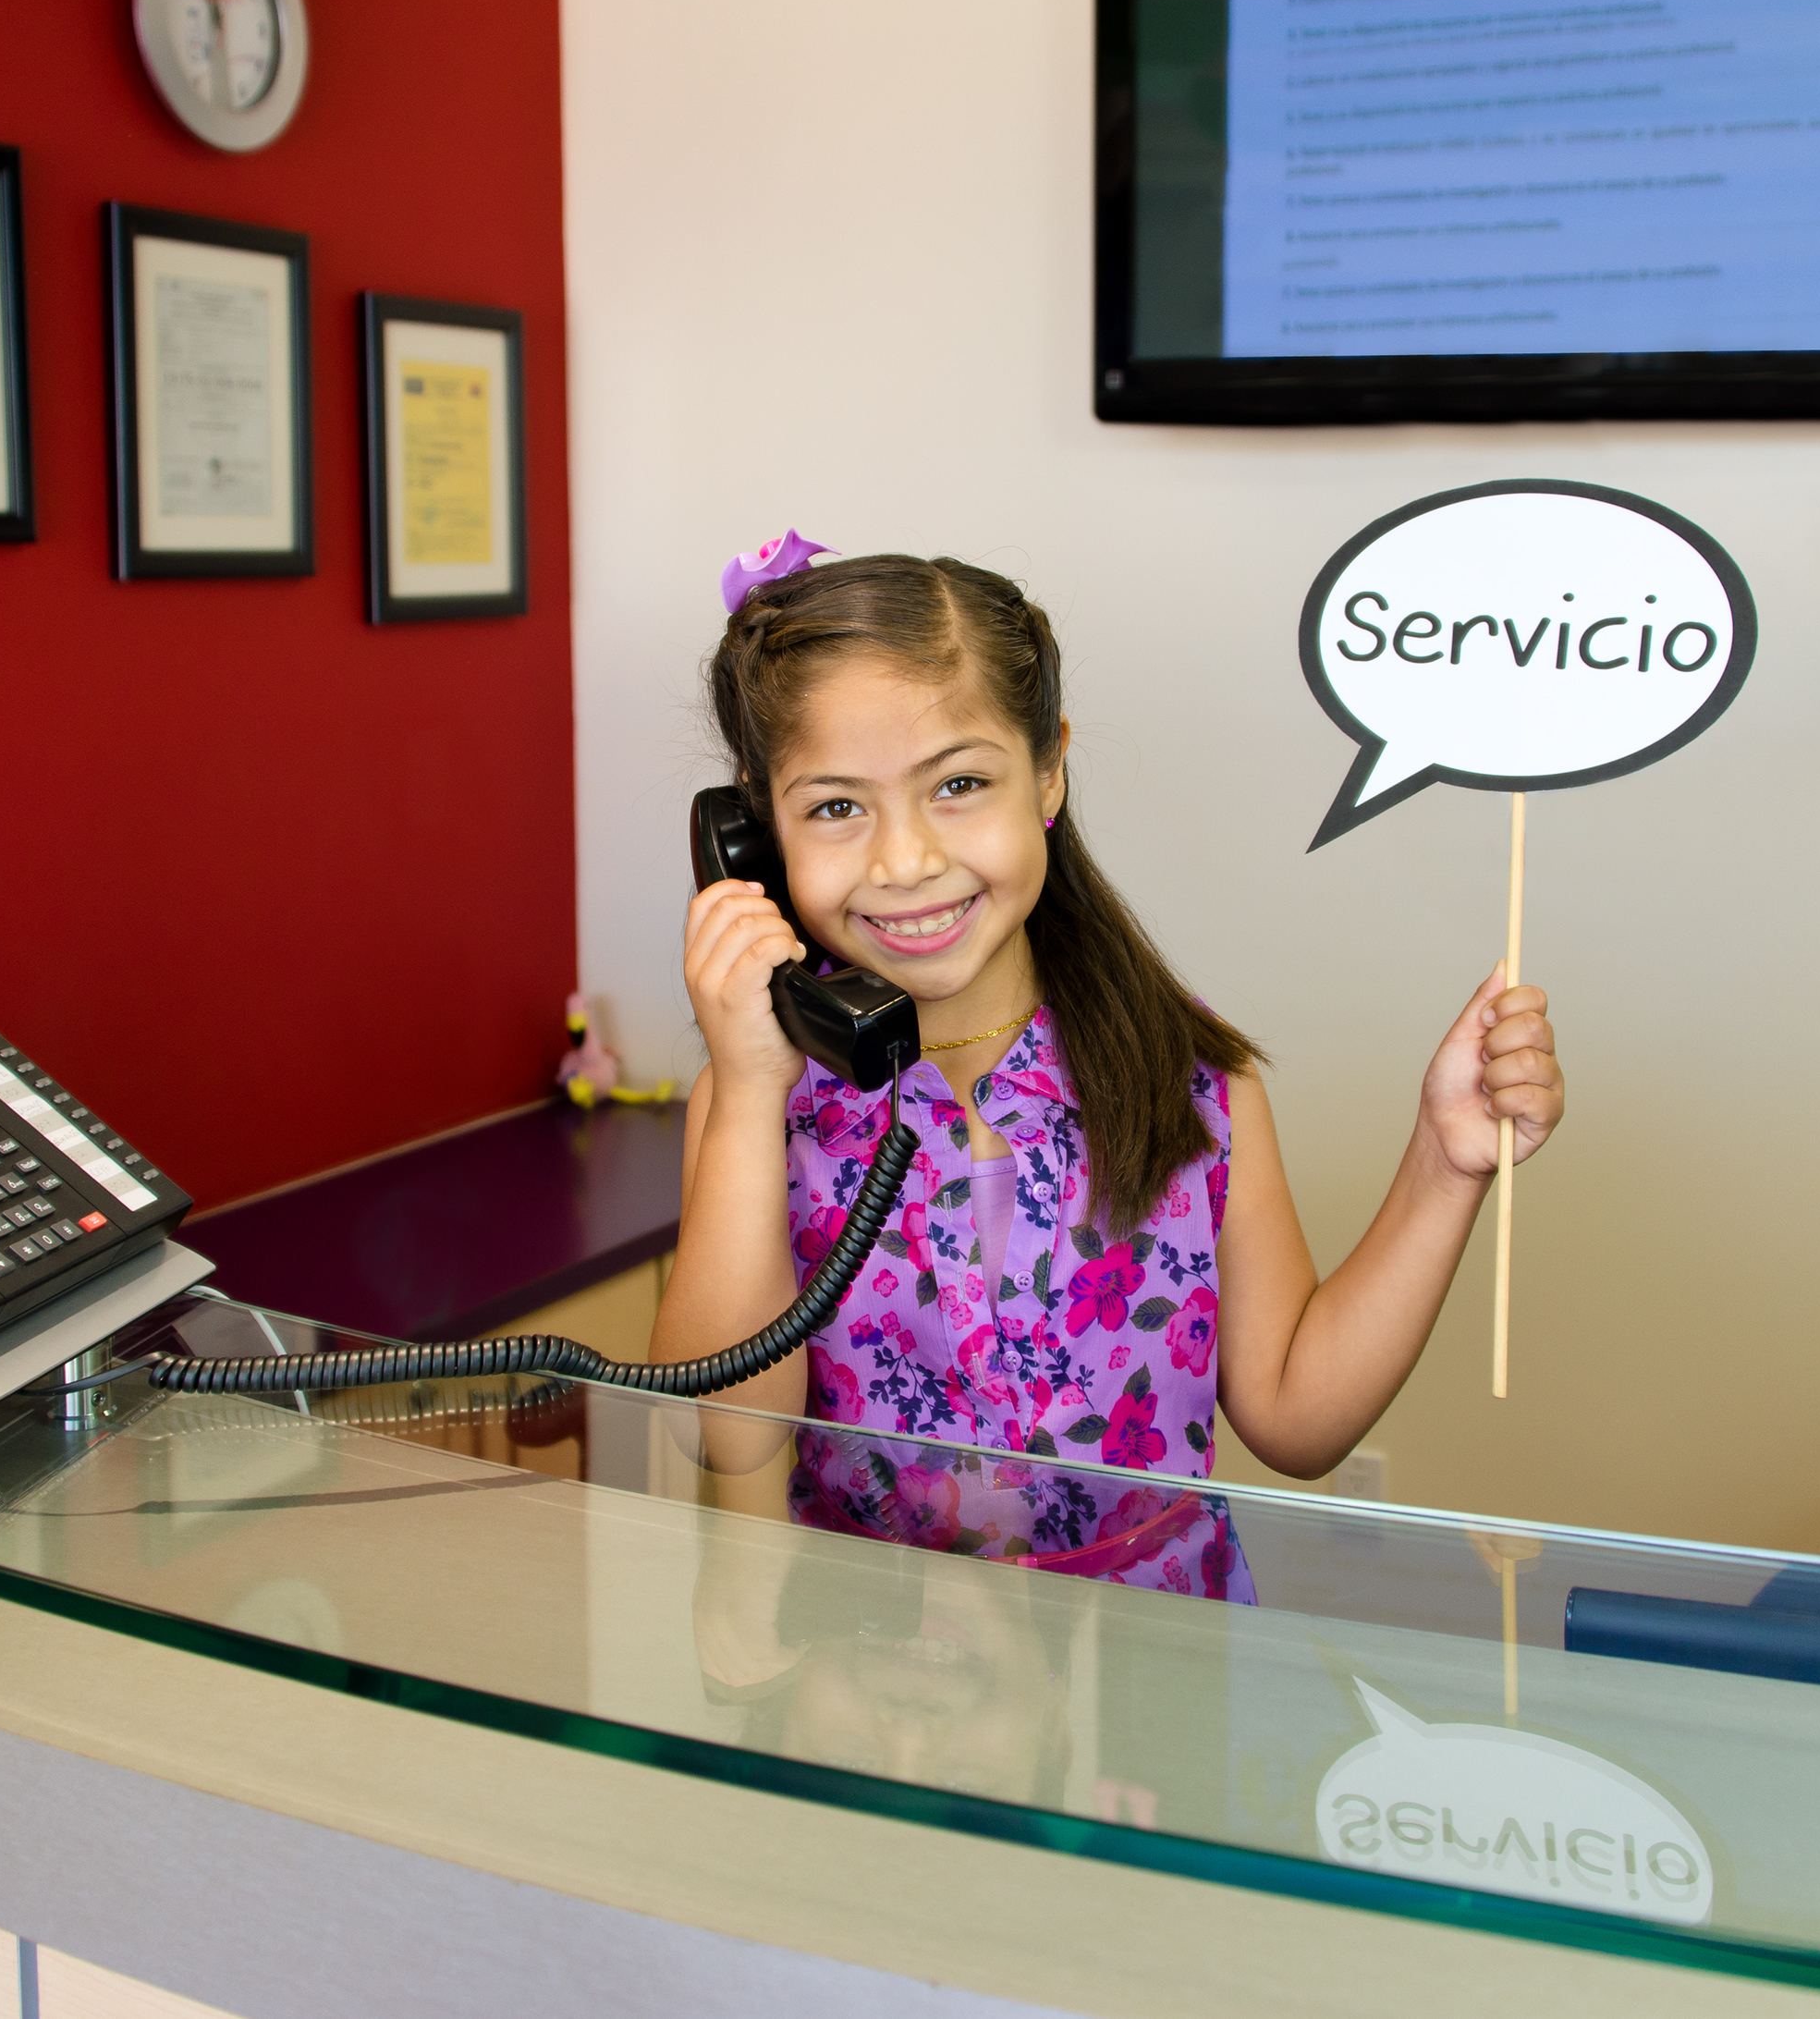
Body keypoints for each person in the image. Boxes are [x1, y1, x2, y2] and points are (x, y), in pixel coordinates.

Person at [659, 547, 1561, 1597]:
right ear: (753, 833)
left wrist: (1444, 1165)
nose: (903, 861)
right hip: (876, 1686)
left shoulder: (1187, 1076)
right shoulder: (757, 1094)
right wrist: (749, 1090)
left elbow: (1296, 1416)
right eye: (835, 808)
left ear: (1048, 772)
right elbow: (726, 1437)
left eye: (958, 784)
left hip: (1150, 1682)